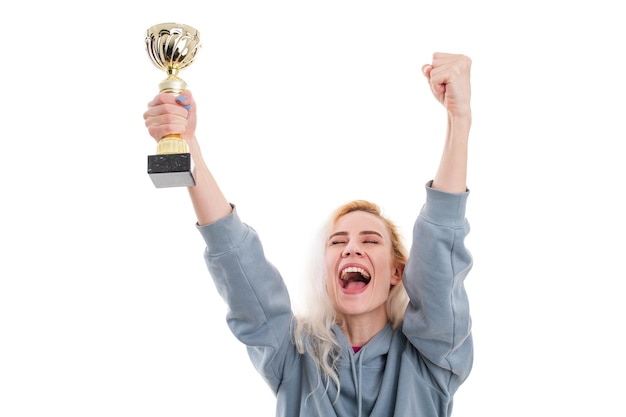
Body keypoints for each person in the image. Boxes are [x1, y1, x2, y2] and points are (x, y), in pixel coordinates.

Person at [143, 52, 474, 417]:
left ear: (398, 272)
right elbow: (241, 269)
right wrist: (188, 146)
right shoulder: (293, 355)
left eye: (370, 240)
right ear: (327, 269)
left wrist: (459, 119)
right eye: (337, 241)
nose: (351, 248)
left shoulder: (432, 357)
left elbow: (440, 250)